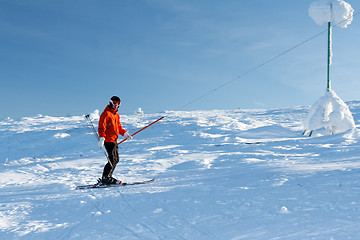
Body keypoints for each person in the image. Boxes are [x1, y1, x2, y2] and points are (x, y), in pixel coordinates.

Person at [98, 96, 132, 184]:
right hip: (108, 140)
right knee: (112, 159)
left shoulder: (116, 115)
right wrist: (102, 138)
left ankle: (108, 176)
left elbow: (119, 127)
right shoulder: (105, 114)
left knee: (116, 159)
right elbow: (101, 127)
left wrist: (125, 134)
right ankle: (106, 177)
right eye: (114, 103)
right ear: (110, 103)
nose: (116, 105)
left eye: (118, 103)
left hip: (114, 140)